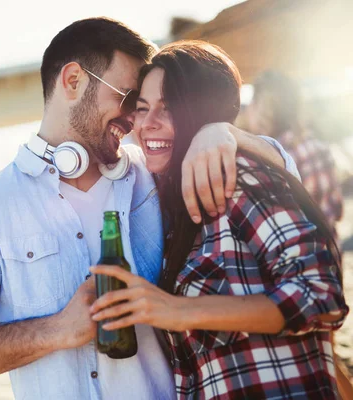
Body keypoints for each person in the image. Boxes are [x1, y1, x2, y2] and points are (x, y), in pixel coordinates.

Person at [0, 19, 298, 399]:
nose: (134, 117)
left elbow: (286, 173)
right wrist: (57, 330)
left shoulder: (154, 175)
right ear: (72, 81)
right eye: (127, 98)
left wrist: (225, 133)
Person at [90, 41, 349, 399]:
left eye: (169, 108)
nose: (148, 124)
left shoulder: (238, 177)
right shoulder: (170, 201)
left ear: (201, 111)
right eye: (142, 109)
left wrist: (179, 311)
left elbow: (320, 294)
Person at [246, 68, 352, 400]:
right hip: (320, 262)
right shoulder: (298, 150)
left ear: (283, 107)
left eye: (268, 106)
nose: (260, 115)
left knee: (322, 355)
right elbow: (335, 210)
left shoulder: (283, 155)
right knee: (325, 354)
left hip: (306, 266)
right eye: (257, 105)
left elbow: (319, 216)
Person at [246, 70, 344, 238]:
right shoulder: (320, 148)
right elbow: (338, 210)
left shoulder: (268, 163)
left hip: (299, 259)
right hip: (330, 258)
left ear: (260, 109)